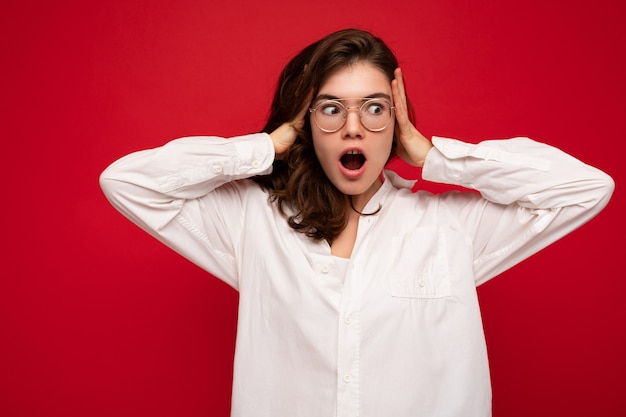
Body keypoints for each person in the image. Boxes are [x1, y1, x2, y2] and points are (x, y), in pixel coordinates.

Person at [100, 28, 614, 417]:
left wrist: (434, 155)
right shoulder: (252, 223)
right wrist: (269, 145)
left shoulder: (450, 228)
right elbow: (127, 181)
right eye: (330, 109)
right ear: (306, 124)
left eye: (374, 108)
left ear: (397, 119)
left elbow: (587, 188)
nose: (353, 127)